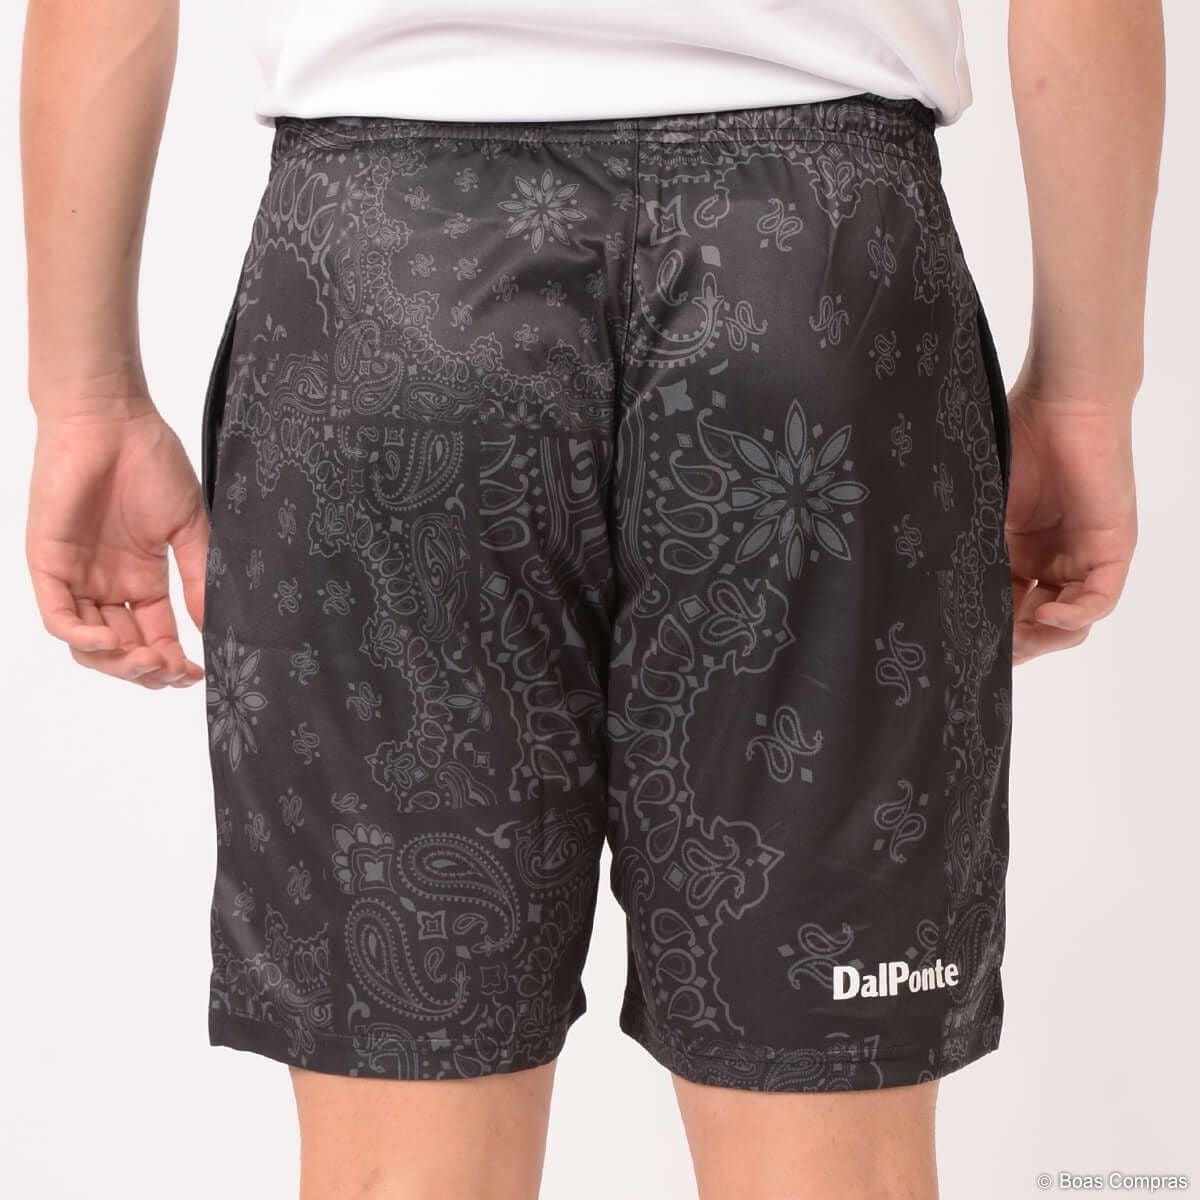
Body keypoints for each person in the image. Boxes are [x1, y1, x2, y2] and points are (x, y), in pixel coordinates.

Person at [20, 1, 1162, 1197]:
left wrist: (86, 398)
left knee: (399, 1170)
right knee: (835, 1169)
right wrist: (1086, 395)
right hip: (817, 279)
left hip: (389, 286)